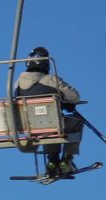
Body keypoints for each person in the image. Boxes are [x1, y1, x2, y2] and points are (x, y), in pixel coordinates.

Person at [14, 47, 85, 179]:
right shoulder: (50, 80)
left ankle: (52, 162)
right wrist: (64, 100)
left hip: (28, 127)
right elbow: (74, 96)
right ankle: (66, 161)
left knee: (47, 123)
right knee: (71, 123)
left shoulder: (17, 83)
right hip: (51, 125)